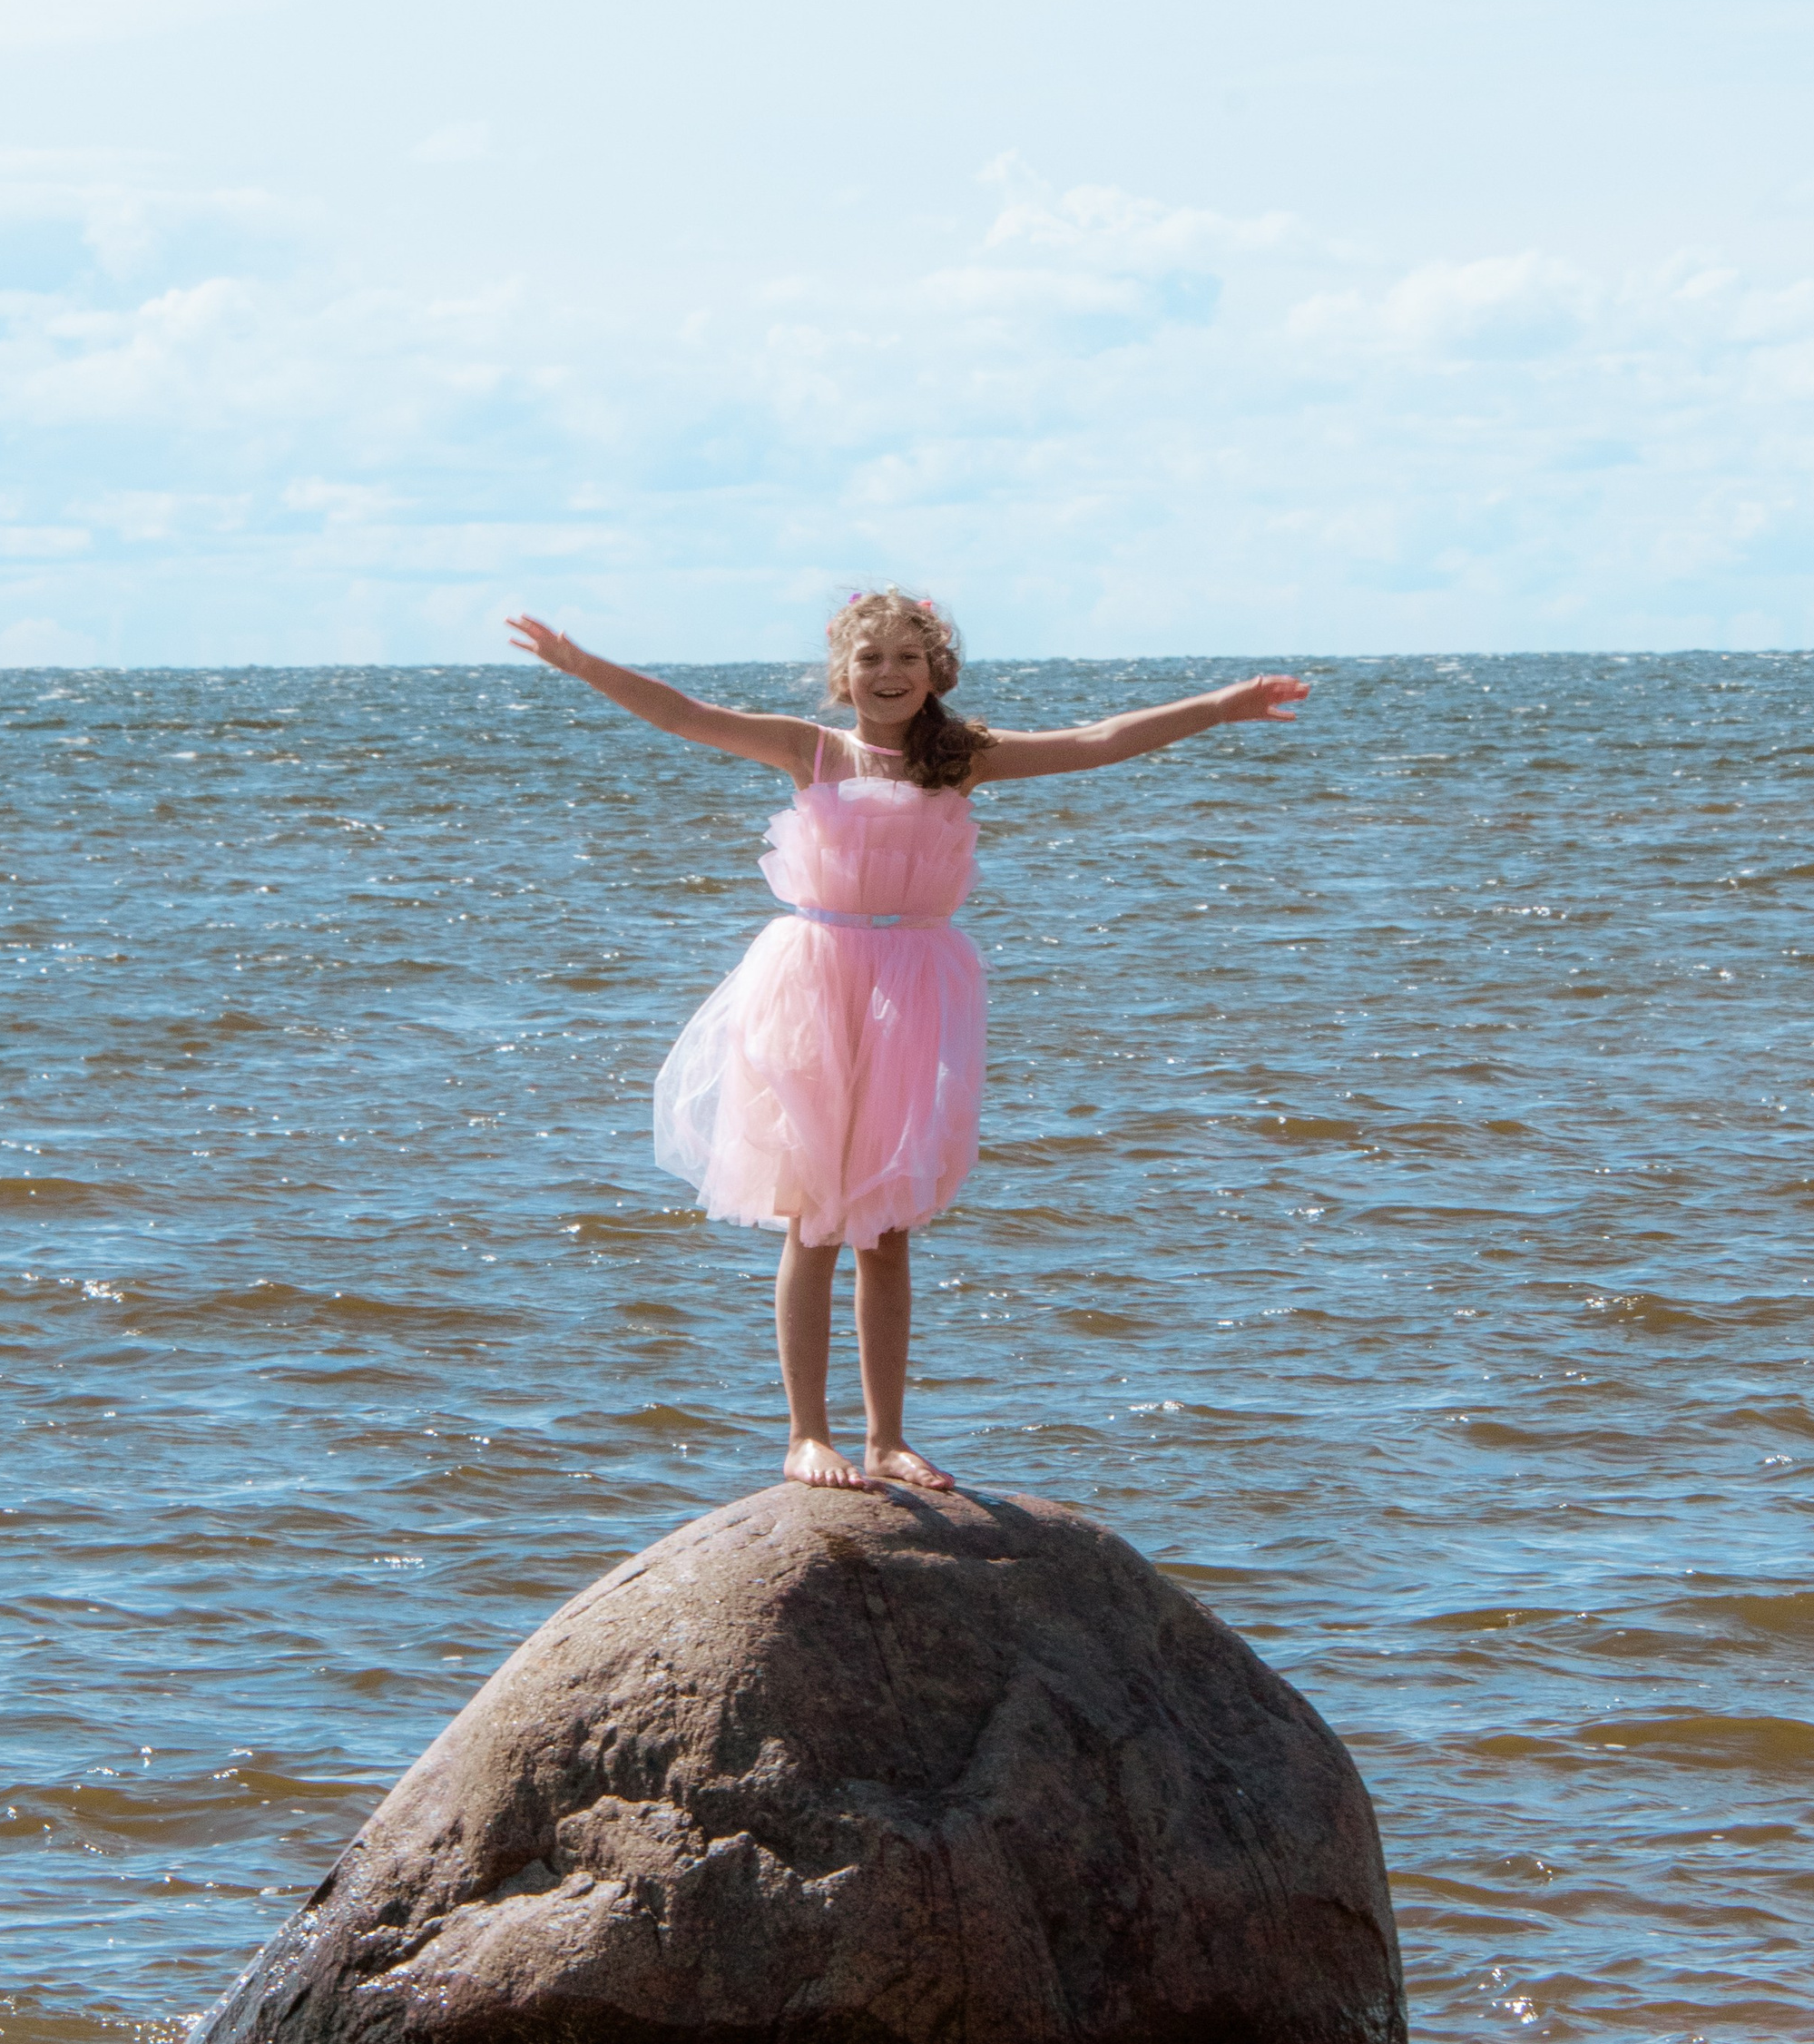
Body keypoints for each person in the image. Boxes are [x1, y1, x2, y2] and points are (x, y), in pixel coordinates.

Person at [505, 593, 1309, 1493]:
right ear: (842, 670)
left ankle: (887, 1436)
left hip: (915, 989)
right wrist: (584, 665)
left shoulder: (960, 757)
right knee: (812, 1214)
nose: (887, 675)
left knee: (885, 1227)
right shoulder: (810, 749)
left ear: (937, 672)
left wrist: (1219, 706)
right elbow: (685, 713)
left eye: (907, 660)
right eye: (869, 659)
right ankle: (807, 1433)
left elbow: (1097, 739)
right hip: (813, 978)